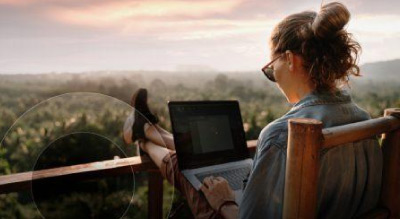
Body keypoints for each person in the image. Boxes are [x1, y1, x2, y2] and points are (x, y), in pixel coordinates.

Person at [123, 2, 382, 219]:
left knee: (188, 169)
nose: (274, 77)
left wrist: (225, 201)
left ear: (290, 59)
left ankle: (144, 138)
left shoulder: (282, 135)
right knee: (201, 159)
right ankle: (146, 129)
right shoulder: (365, 122)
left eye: (271, 68)